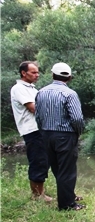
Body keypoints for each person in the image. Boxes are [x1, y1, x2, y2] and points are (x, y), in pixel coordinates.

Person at [35, 62, 86, 211]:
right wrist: (78, 132)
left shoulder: (41, 92)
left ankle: (68, 196)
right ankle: (67, 205)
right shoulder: (69, 94)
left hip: (46, 134)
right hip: (65, 135)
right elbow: (77, 119)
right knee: (67, 169)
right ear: (69, 77)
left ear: (52, 75)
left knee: (57, 168)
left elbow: (37, 116)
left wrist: (43, 130)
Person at [10, 61, 52, 202]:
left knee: (44, 161)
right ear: (23, 73)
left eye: (37, 72)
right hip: (31, 130)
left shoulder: (32, 89)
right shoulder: (19, 88)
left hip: (40, 129)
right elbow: (34, 108)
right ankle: (37, 196)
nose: (37, 75)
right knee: (38, 161)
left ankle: (40, 193)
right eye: (33, 72)